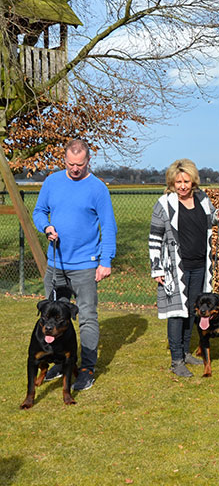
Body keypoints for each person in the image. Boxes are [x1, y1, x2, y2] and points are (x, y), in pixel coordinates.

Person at [33, 138, 117, 392]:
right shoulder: (52, 181)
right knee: (55, 316)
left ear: (88, 161)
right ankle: (61, 361)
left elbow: (109, 226)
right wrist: (46, 227)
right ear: (65, 160)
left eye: (80, 164)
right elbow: (38, 211)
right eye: (70, 164)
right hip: (56, 263)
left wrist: (106, 261)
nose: (75, 168)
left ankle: (87, 369)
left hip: (85, 265)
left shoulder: (98, 188)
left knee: (87, 317)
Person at [148, 159, 219, 377]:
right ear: (172, 182)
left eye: (186, 181)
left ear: (193, 181)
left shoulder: (202, 199)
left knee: (193, 310)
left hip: (201, 266)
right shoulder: (164, 203)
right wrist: (157, 269)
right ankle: (176, 361)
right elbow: (155, 237)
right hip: (175, 269)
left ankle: (185, 352)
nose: (182, 185)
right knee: (176, 313)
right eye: (178, 181)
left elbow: (211, 220)